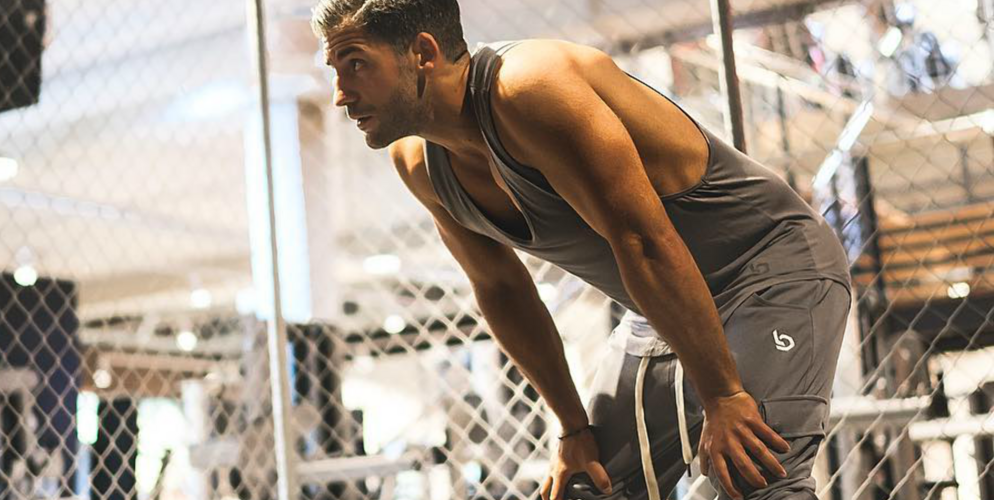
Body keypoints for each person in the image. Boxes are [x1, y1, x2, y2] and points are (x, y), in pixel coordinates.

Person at [310, 2, 852, 500]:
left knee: (744, 478)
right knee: (587, 488)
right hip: (662, 307)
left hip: (771, 272)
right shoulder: (419, 163)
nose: (339, 93)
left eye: (354, 65)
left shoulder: (528, 90)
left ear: (423, 54)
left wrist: (724, 395)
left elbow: (641, 238)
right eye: (334, 70)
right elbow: (501, 287)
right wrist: (572, 428)